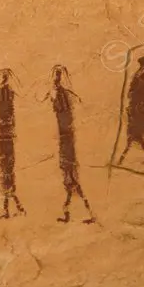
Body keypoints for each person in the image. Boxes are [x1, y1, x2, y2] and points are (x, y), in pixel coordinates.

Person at [44, 65, 95, 224]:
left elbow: (60, 105)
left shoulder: (61, 94)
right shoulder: (62, 93)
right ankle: (75, 215)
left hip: (66, 144)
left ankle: (84, 214)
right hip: (66, 141)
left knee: (75, 189)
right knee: (73, 191)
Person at [0, 69, 26, 217]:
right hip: (5, 135)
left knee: (7, 179)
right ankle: (12, 210)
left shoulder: (2, 92)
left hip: (4, 136)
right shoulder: (5, 92)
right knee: (7, 180)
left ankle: (14, 209)